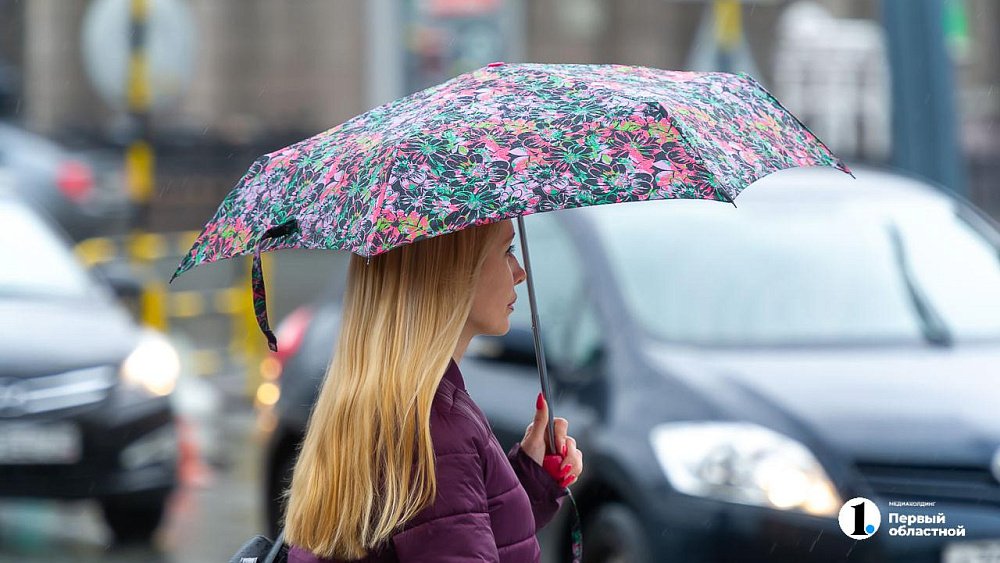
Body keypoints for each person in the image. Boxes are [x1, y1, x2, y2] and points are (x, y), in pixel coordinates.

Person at [284, 219, 584, 562]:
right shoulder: (434, 427)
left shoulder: (392, 401)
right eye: (507, 251)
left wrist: (532, 481)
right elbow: (443, 522)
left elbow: (444, 523)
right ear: (452, 273)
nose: (520, 273)